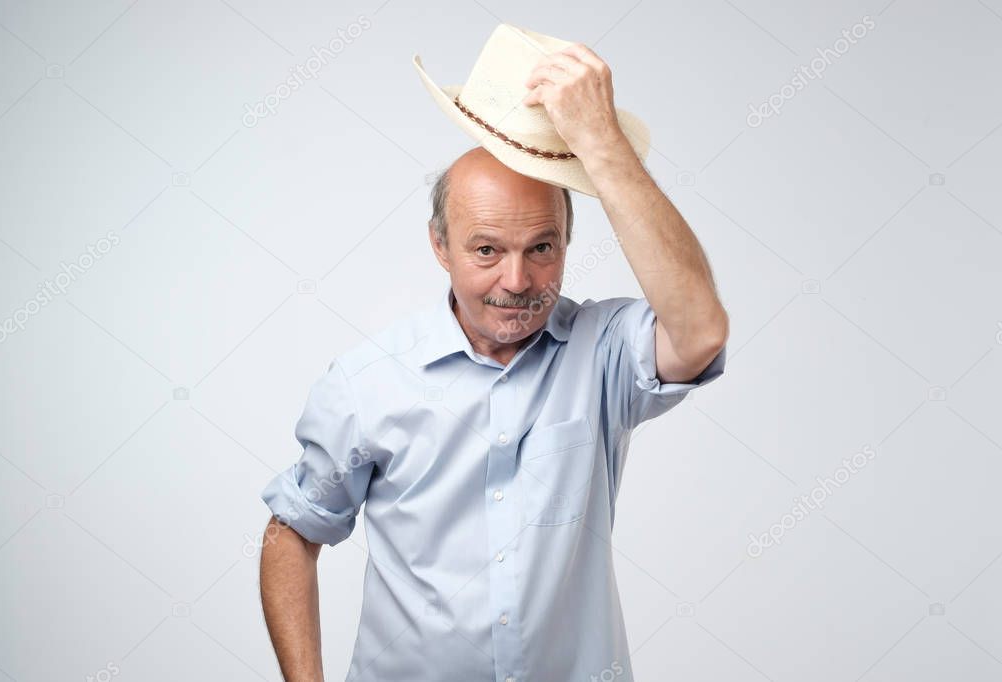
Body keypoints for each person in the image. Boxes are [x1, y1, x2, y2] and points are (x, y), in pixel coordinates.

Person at [259, 27, 728, 682]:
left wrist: (599, 143)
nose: (515, 281)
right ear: (439, 246)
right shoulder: (368, 384)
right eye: (486, 251)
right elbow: (293, 532)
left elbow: (701, 330)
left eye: (541, 248)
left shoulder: (606, 352)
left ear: (568, 241)